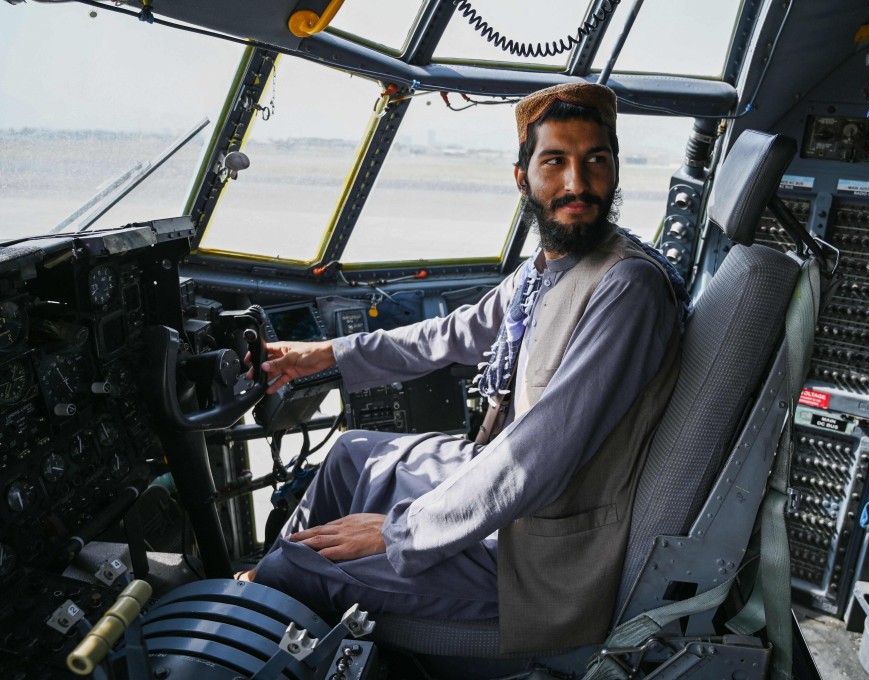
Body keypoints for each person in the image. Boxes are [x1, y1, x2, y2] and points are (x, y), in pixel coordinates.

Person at [243, 82, 691, 653]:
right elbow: (453, 333)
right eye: (555, 161)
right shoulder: (547, 269)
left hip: (537, 552)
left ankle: (264, 604)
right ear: (522, 176)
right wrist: (327, 355)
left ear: (616, 170)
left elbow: (538, 457)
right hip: (505, 486)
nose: (577, 184)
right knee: (349, 454)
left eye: (595, 161)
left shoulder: (627, 286)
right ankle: (263, 595)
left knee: (300, 566)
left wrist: (399, 531)